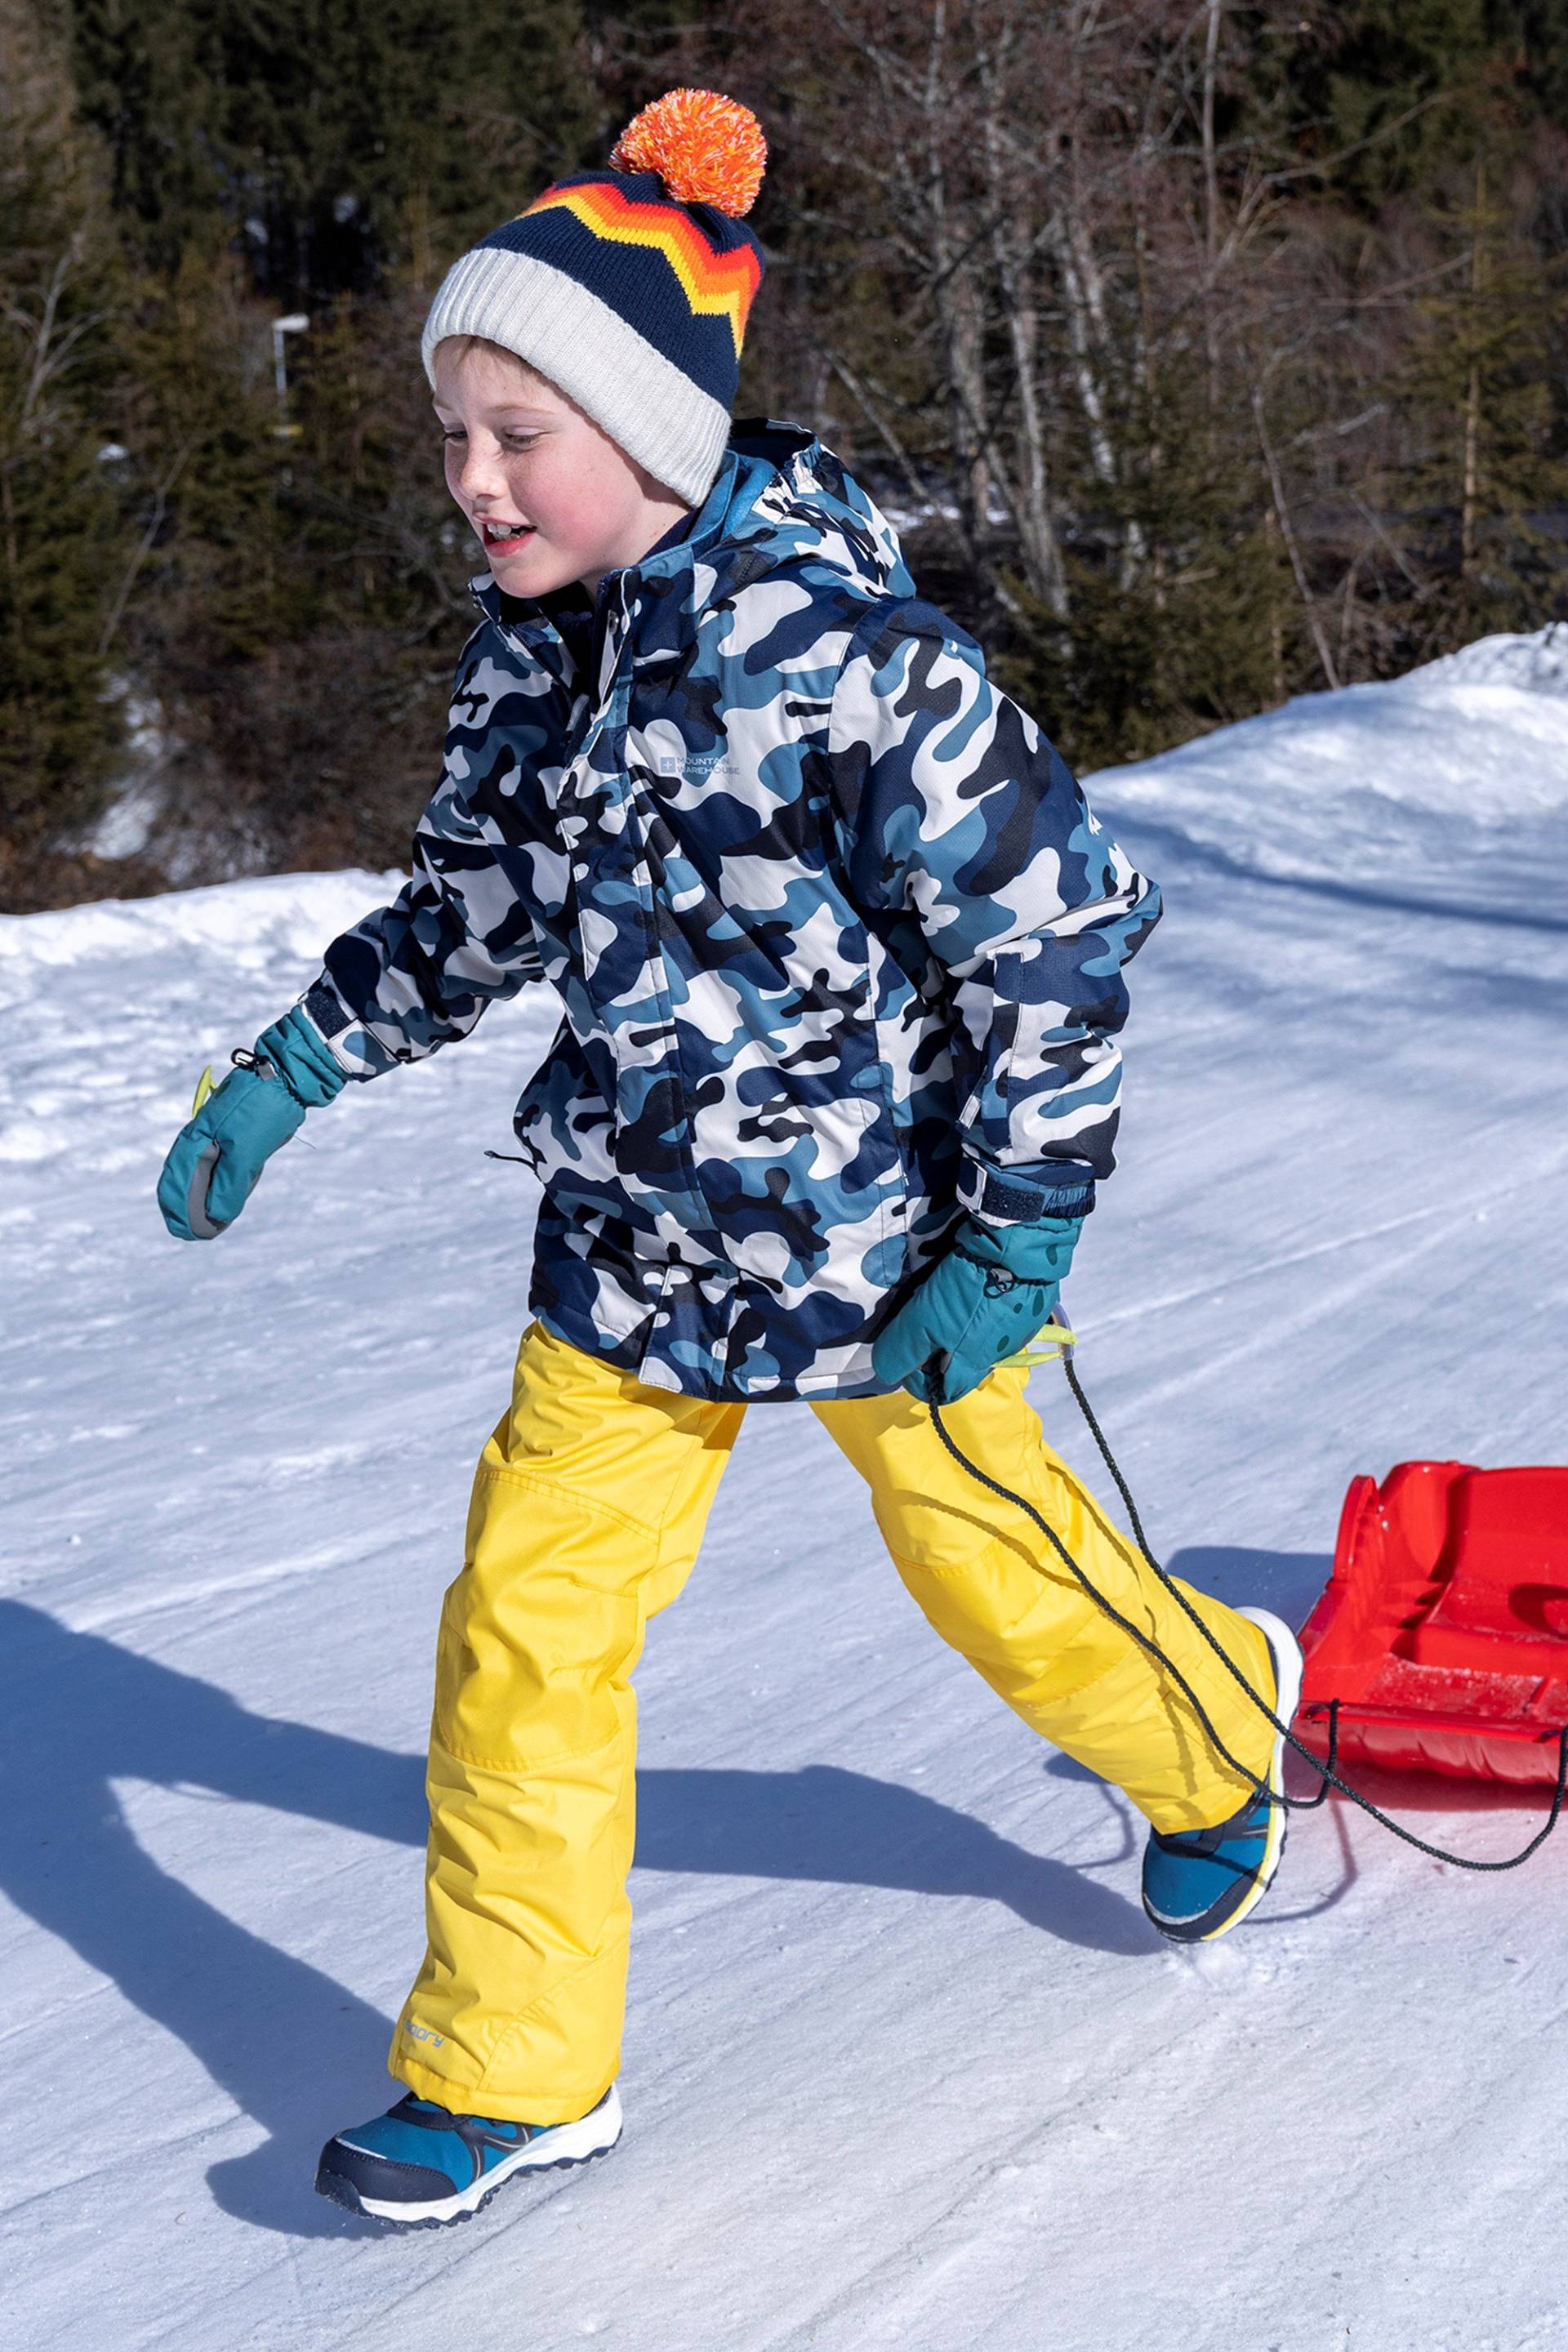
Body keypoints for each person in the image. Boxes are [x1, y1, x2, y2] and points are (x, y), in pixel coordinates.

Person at [157, 88, 1303, 2231]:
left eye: (516, 433)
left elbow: (1055, 936)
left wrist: (1024, 1225)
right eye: (450, 436)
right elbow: (479, 907)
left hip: (881, 1246)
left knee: (1000, 1572)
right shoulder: (533, 653)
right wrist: (299, 1063)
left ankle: (1217, 1735)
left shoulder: (856, 664)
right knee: (524, 1635)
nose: (471, 480)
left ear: (654, 428)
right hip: (628, 1246)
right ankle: (507, 2069)